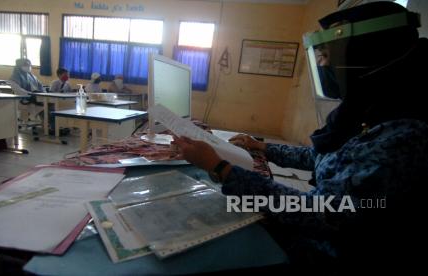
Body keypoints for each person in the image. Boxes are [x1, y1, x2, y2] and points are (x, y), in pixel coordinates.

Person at [172, 2, 427, 272]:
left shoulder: (405, 137)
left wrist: (220, 168)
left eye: (327, 56)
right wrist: (261, 147)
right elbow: (321, 156)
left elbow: (321, 211)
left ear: (368, 53)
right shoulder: (371, 109)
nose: (322, 65)